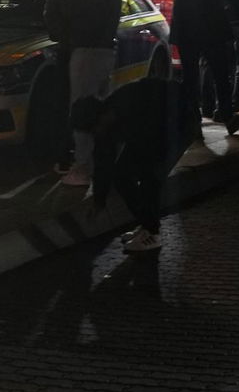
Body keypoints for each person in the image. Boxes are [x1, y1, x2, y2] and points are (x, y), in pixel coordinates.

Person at [75, 73, 196, 255]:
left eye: (94, 128)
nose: (96, 132)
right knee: (121, 175)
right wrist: (99, 201)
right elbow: (103, 162)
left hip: (178, 125)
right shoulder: (105, 126)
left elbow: (153, 145)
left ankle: (152, 234)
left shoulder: (133, 103)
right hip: (149, 132)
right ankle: (146, 224)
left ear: (102, 116)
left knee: (151, 177)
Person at [45, 0, 124, 188]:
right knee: (98, 108)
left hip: (88, 49)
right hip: (103, 49)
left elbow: (75, 11)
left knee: (81, 109)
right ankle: (100, 162)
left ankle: (82, 167)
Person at [167, 0, 239, 139]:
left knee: (190, 77)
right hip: (213, 29)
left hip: (187, 29)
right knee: (220, 74)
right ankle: (227, 116)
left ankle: (193, 121)